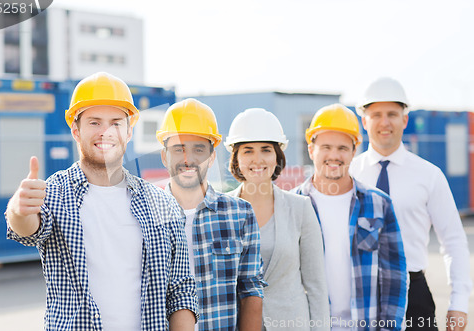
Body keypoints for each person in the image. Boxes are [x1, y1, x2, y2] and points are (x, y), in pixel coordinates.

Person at [5, 72, 198, 331]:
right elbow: (28, 229)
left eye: (116, 123)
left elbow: (181, 289)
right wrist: (19, 208)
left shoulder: (161, 202)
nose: (106, 132)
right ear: (76, 129)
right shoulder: (54, 193)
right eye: (95, 122)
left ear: (129, 131)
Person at [350, 77, 472, 331]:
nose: (384, 122)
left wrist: (459, 302)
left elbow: (453, 241)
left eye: (392, 114)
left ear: (405, 119)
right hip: (360, 294)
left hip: (413, 295)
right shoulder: (349, 174)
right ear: (364, 121)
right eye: (376, 114)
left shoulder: (429, 175)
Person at [294, 104, 407, 331]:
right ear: (311, 149)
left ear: (354, 151)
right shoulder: (291, 206)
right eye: (326, 147)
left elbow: (395, 278)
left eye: (343, 148)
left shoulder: (379, 204)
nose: (334, 155)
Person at [156, 98, 265, 331]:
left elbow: (251, 289)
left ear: (212, 156)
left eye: (198, 149)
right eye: (179, 149)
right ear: (164, 156)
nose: (188, 159)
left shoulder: (240, 214)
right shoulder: (146, 215)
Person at [225, 108, 330, 331]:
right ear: (236, 158)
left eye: (266, 150)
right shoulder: (220, 210)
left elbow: (316, 287)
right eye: (248, 151)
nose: (257, 159)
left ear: (277, 156)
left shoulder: (300, 208)